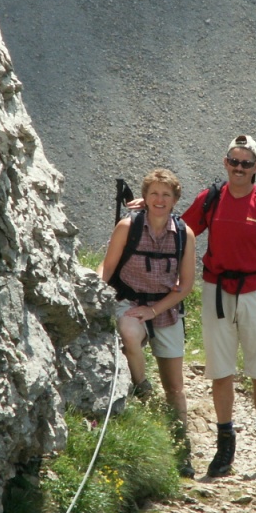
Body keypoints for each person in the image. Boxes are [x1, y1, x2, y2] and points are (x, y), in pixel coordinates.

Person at [181, 135, 256, 477]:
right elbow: (181, 232)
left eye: (246, 163)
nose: (239, 168)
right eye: (234, 161)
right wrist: (150, 209)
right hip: (216, 290)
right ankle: (224, 446)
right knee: (221, 370)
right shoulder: (210, 199)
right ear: (225, 162)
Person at [99, 168, 197, 477]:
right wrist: (93, 294)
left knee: (176, 387)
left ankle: (183, 451)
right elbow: (108, 267)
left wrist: (154, 311)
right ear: (145, 197)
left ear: (175, 200)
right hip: (128, 301)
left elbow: (185, 286)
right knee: (129, 330)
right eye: (153, 193)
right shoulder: (128, 227)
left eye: (166, 195)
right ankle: (142, 387)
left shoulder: (184, 234)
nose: (159, 199)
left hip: (165, 309)